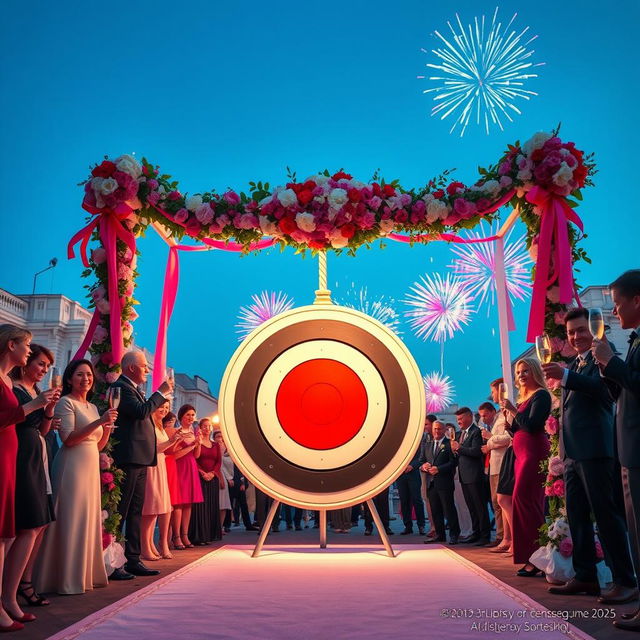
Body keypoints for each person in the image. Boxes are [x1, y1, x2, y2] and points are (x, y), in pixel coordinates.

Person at [543, 307, 636, 602]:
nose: (576, 336)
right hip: (573, 453)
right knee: (578, 516)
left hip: (597, 450)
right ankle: (585, 576)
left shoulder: (604, 359)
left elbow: (606, 392)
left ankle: (624, 579)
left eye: (581, 330)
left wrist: (568, 376)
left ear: (595, 329)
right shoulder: (575, 363)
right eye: (571, 332)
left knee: (607, 517)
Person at [35, 359, 117, 595]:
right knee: (69, 517)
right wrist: (100, 421)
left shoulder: (92, 407)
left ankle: (84, 574)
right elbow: (69, 439)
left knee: (86, 518)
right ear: (70, 379)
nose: (86, 379)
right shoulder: (65, 402)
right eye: (80, 375)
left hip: (90, 464)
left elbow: (99, 444)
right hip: (71, 464)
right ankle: (61, 577)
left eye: (89, 375)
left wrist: (108, 427)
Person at [0, 326, 58, 631]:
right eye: (40, 363)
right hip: (18, 458)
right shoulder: (12, 385)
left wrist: (47, 409)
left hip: (34, 457)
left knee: (35, 525)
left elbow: (42, 430)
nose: (44, 370)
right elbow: (13, 418)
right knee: (20, 526)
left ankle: (11, 595)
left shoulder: (28, 390)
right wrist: (37, 406)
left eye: (48, 367)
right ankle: (10, 595)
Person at [591, 270, 640, 631]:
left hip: (636, 448)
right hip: (629, 448)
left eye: (618, 303)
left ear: (636, 300)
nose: (615, 311)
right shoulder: (634, 342)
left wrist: (613, 362)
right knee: (635, 532)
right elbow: (624, 394)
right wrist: (608, 371)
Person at [109, 350, 173, 580]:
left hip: (141, 458)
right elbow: (140, 412)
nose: (148, 370)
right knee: (122, 511)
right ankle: (115, 562)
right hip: (128, 457)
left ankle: (133, 558)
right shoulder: (121, 387)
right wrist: (160, 393)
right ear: (132, 368)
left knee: (136, 510)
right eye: (145, 366)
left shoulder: (133, 388)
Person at [500, 357, 551, 576]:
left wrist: (513, 410)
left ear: (535, 372)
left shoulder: (541, 395)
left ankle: (539, 556)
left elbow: (532, 426)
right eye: (519, 372)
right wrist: (509, 421)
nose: (521, 375)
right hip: (521, 454)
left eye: (526, 371)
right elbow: (519, 429)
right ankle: (530, 556)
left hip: (533, 452)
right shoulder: (523, 399)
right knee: (522, 501)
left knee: (526, 500)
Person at [141, 399, 181, 560]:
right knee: (150, 507)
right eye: (161, 407)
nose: (163, 410)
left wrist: (174, 440)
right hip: (151, 465)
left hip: (161, 465)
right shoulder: (148, 424)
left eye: (166, 408)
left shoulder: (160, 426)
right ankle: (145, 545)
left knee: (157, 507)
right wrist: (171, 442)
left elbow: (163, 447)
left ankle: (150, 543)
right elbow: (149, 448)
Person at [450, 407, 490, 545]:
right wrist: (456, 451)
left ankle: (485, 536)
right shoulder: (460, 433)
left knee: (480, 506)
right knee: (471, 507)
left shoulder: (476, 432)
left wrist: (459, 448)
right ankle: (475, 532)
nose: (459, 422)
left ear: (469, 417)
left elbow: (476, 452)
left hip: (475, 475)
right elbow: (461, 453)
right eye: (457, 420)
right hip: (464, 475)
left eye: (461, 419)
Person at [480, 389, 512, 548]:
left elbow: (508, 437)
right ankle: (502, 535)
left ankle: (505, 537)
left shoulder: (504, 416)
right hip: (494, 466)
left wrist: (489, 441)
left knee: (501, 501)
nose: (492, 395)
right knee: (496, 502)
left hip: (501, 464)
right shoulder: (498, 419)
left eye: (493, 392)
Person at [421, 420, 460, 544]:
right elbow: (421, 460)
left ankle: (454, 534)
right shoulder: (427, 445)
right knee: (435, 510)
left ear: (444, 430)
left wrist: (439, 469)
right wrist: (424, 466)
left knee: (449, 509)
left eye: (439, 429)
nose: (437, 431)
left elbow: (453, 462)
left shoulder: (449, 444)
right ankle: (439, 534)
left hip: (445, 482)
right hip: (431, 483)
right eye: (435, 429)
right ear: (432, 430)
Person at [170, 405, 203, 549]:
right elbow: (174, 455)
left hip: (191, 467)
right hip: (179, 467)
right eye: (188, 414)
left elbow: (196, 456)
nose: (190, 417)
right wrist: (191, 446)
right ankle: (176, 536)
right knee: (178, 503)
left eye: (193, 415)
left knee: (188, 503)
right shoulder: (176, 432)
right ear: (181, 416)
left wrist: (198, 444)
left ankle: (185, 535)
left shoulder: (193, 433)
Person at [190, 418, 223, 545]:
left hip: (212, 478)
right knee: (200, 508)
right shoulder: (197, 442)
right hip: (200, 478)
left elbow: (218, 462)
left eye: (209, 426)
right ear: (200, 427)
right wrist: (202, 473)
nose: (207, 428)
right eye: (205, 426)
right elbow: (194, 459)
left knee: (211, 506)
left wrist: (212, 473)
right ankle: (199, 536)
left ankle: (210, 535)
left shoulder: (215, 445)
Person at [397, 437, 426, 535]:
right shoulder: (397, 443)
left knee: (417, 499)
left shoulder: (416, 441)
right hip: (400, 475)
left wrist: (412, 466)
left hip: (413, 474)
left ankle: (421, 525)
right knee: (404, 500)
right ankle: (407, 526)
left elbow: (421, 458)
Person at [420, 415, 438, 539]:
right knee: (428, 501)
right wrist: (423, 465)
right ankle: (433, 527)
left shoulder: (444, 439)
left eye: (426, 424)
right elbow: (421, 458)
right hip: (426, 476)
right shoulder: (425, 440)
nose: (425, 427)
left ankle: (439, 527)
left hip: (439, 476)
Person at [214, 431, 233, 533]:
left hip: (225, 478)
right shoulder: (213, 448)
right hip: (215, 475)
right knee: (215, 504)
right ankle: (215, 527)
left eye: (221, 437)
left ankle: (220, 527)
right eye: (217, 437)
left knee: (224, 504)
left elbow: (230, 466)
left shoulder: (229, 451)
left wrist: (229, 478)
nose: (219, 439)